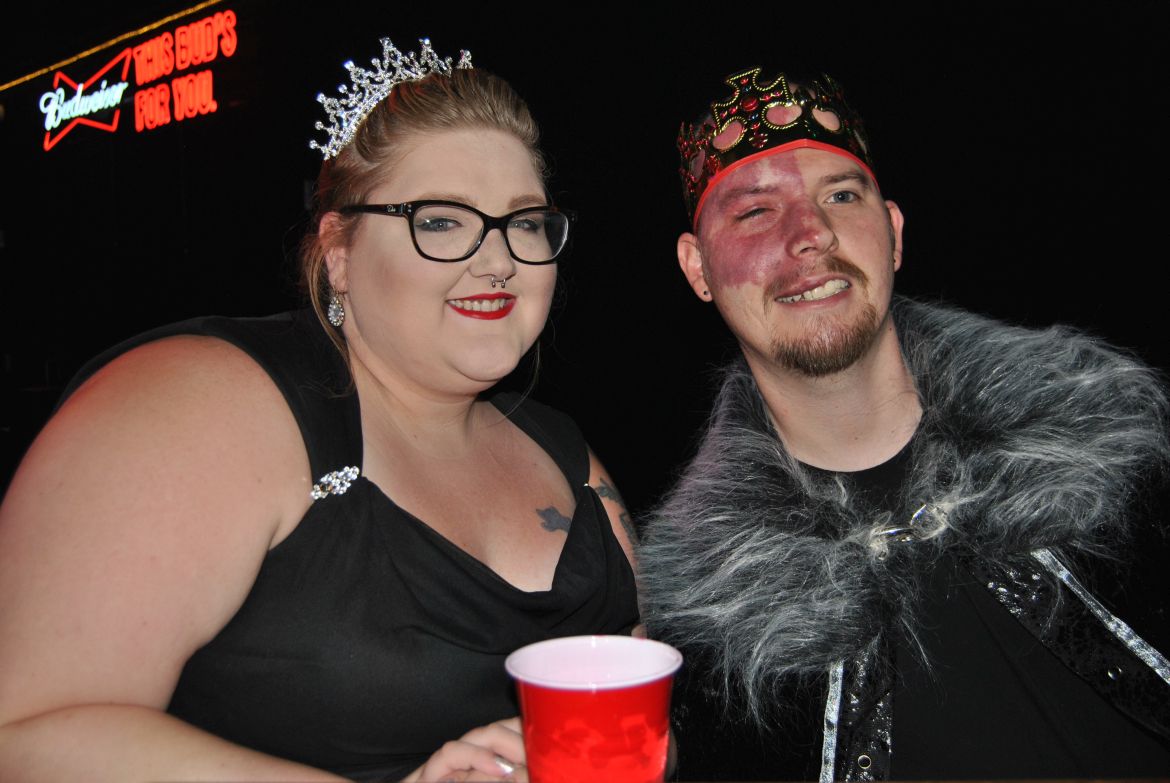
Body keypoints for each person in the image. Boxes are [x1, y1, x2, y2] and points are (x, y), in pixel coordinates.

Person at [0, 37, 638, 783]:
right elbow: (22, 732)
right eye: (441, 220)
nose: (497, 260)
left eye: (525, 222)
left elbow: (654, 698)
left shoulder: (564, 448)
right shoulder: (203, 399)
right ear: (339, 250)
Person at [637, 66, 1170, 781]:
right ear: (697, 267)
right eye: (756, 212)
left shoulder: (1122, 454)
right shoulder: (707, 630)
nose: (811, 234)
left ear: (891, 232)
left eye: (841, 195)